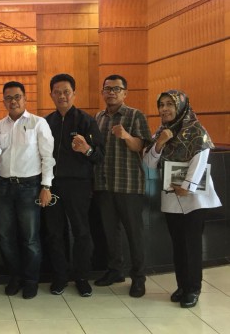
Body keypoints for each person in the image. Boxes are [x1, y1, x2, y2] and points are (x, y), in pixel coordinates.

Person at [143, 90, 221, 308]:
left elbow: (201, 157)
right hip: (172, 198)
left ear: (181, 106)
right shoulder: (162, 131)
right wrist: (160, 143)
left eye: (170, 104)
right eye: (161, 105)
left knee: (192, 246)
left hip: (194, 199)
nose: (164, 109)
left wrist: (188, 186)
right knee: (178, 245)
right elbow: (149, 163)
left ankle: (193, 288)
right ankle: (182, 286)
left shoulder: (196, 129)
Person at [0, 81, 55, 299]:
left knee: (30, 238)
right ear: (3, 101)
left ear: (25, 99)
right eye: (8, 97)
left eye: (17, 97)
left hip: (30, 186)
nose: (13, 101)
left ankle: (31, 280)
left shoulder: (38, 123)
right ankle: (15, 277)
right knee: (5, 236)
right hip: (4, 186)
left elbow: (48, 157)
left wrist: (46, 186)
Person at [43, 74, 105, 297]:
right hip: (51, 185)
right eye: (57, 92)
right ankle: (60, 277)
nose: (62, 96)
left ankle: (81, 277)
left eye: (66, 92)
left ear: (74, 94)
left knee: (81, 232)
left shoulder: (86, 121)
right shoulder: (45, 123)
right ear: (51, 94)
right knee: (54, 233)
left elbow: (99, 155)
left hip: (78, 185)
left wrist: (86, 149)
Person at [93, 74, 152, 298]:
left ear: (125, 93)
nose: (111, 92)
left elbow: (141, 147)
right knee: (111, 233)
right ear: (102, 92)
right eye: (107, 88)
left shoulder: (135, 115)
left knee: (134, 234)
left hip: (128, 185)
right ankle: (115, 271)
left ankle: (139, 278)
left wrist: (126, 135)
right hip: (104, 184)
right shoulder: (98, 117)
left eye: (116, 89)